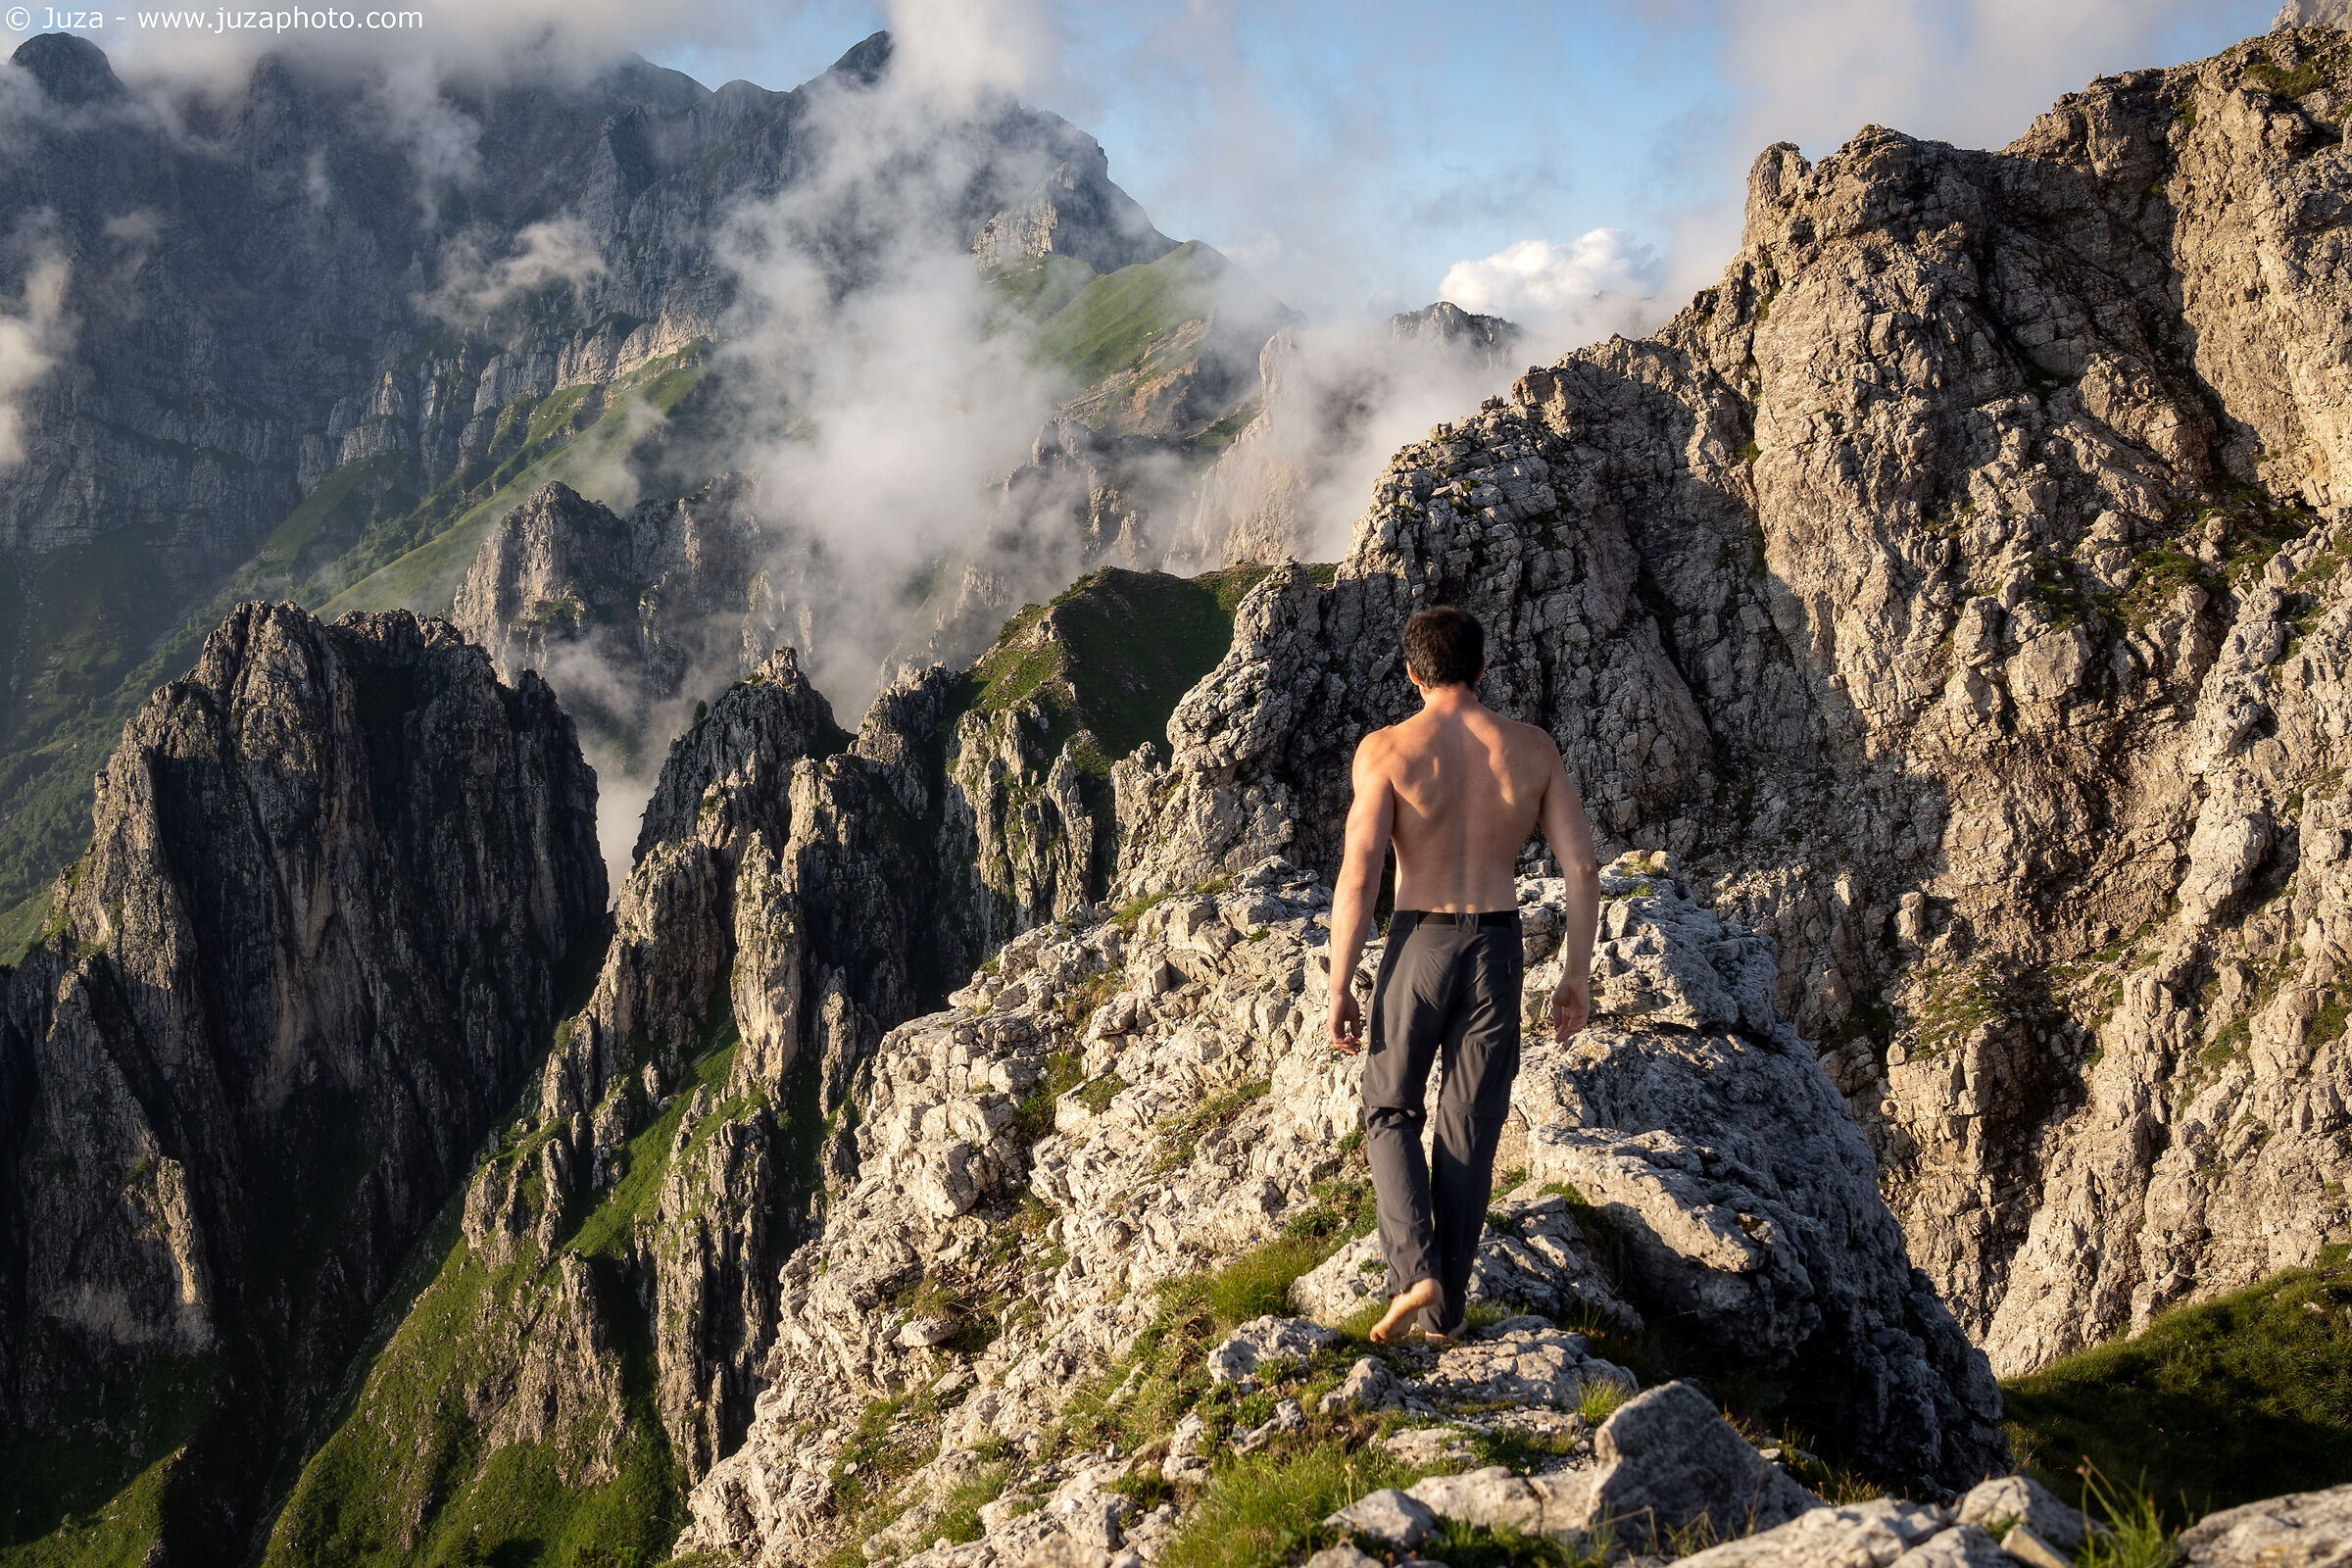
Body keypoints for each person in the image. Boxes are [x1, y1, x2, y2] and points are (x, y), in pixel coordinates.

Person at [1326, 604, 1601, 1345]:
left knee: (1389, 1110)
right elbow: (1580, 865)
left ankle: (1415, 1270)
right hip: (1498, 947)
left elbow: (1360, 874)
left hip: (1420, 940)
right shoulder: (1532, 749)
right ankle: (1445, 1317)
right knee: (1470, 1131)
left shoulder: (1386, 751)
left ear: (1413, 674)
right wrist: (1575, 972)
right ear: (1482, 669)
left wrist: (1341, 982)